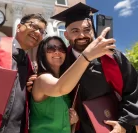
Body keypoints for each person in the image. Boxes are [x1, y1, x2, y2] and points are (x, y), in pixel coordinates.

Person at [50, 2, 138, 133]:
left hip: (113, 127)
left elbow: (133, 90)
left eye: (87, 30)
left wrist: (123, 124)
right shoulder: (62, 61)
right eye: (75, 31)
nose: (82, 36)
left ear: (93, 31)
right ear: (66, 35)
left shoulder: (112, 57)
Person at [29, 30, 116, 133]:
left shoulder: (64, 84)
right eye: (51, 48)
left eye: (61, 48)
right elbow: (60, 88)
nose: (57, 52)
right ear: (42, 54)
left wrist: (71, 120)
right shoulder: (41, 79)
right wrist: (87, 55)